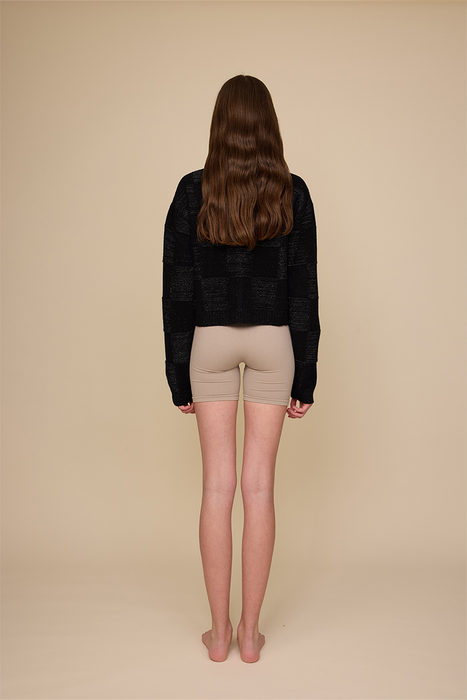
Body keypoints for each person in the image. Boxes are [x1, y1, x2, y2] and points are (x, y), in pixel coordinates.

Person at [162, 75, 320, 663]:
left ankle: (219, 635)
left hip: (209, 342)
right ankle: (251, 636)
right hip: (275, 340)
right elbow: (303, 289)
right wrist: (305, 374)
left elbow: (177, 288)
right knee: (259, 489)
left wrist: (178, 373)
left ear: (219, 125)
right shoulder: (292, 192)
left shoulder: (192, 191)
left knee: (217, 488)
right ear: (269, 125)